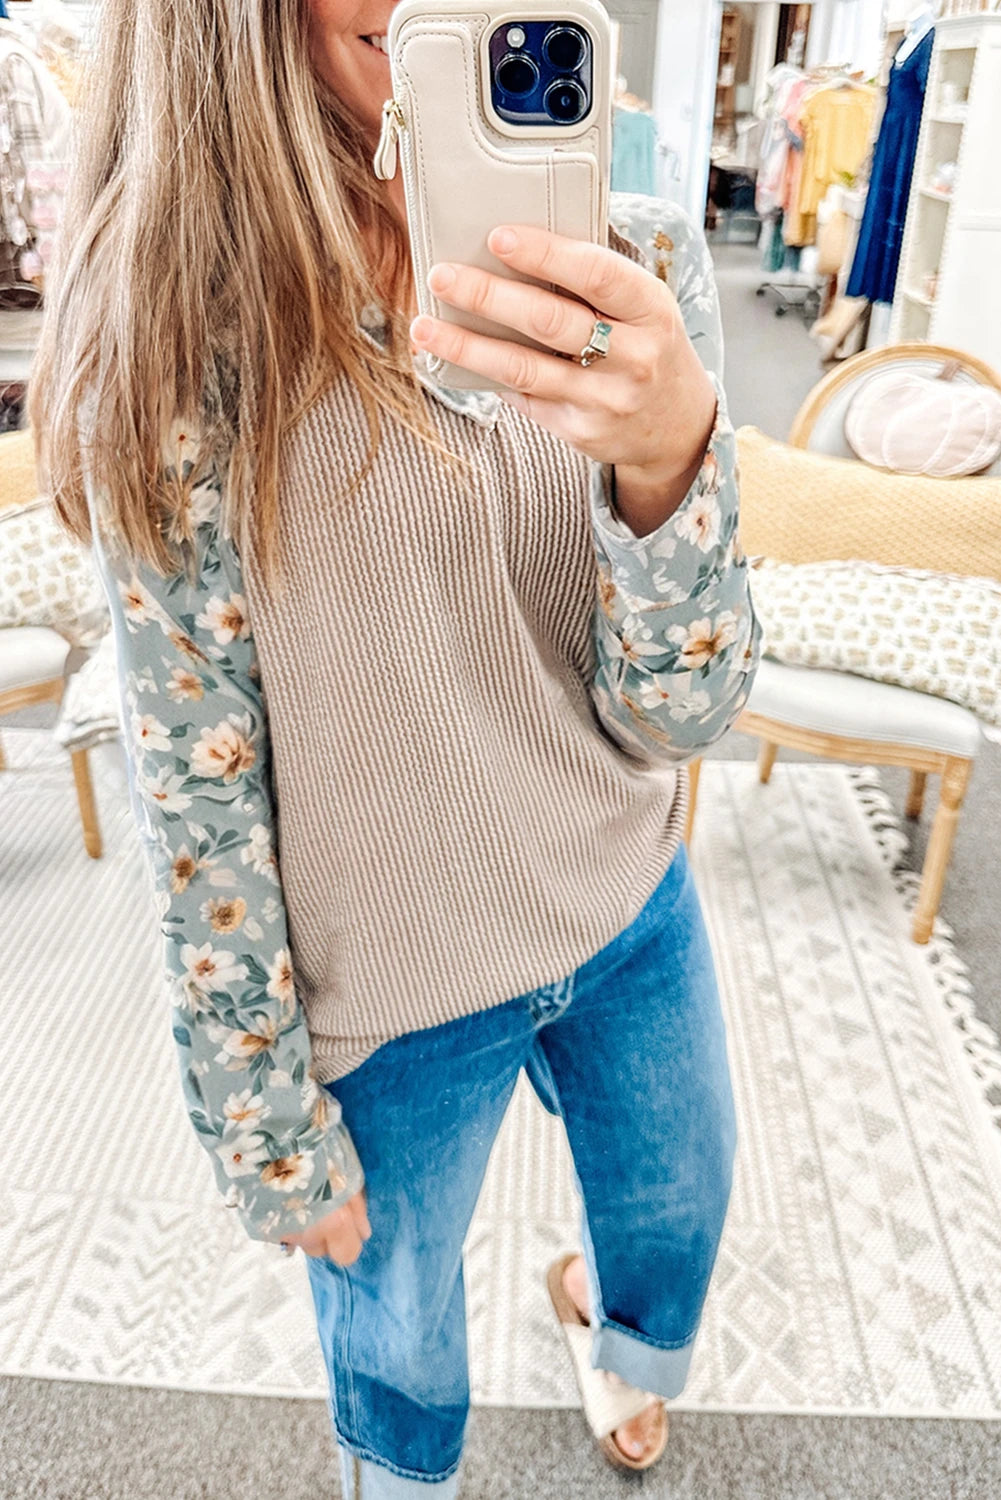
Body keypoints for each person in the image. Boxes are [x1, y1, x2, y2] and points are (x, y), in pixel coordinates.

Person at [30, 2, 764, 1495]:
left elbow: (679, 715)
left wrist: (669, 455)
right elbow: (194, 789)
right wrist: (262, 1121)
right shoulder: (183, 346)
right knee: (398, 1341)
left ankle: (618, 1337)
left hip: (625, 900)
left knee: (678, 1211)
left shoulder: (633, 266)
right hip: (390, 992)